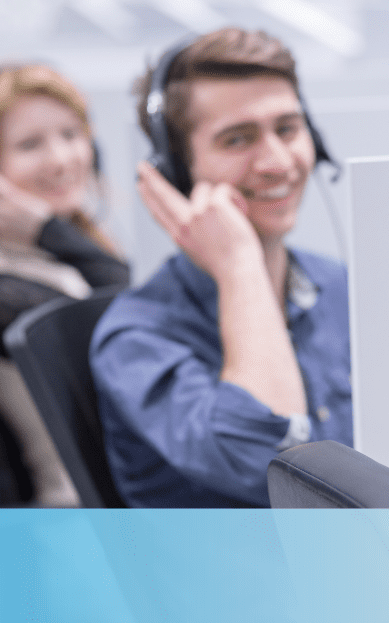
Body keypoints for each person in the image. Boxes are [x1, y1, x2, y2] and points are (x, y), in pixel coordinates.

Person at [91, 28, 352, 508]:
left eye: (289, 129)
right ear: (177, 172)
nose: (276, 162)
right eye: (238, 139)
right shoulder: (135, 340)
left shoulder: (337, 286)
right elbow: (273, 468)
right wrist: (239, 267)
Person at [0, 64, 130, 507]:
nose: (62, 158)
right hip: (83, 526)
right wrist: (51, 232)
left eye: (70, 134)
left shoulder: (62, 258)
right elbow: (143, 338)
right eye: (29, 145)